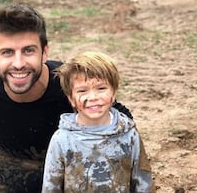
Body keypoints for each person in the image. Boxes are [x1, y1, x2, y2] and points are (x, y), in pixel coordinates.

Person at [0, 4, 134, 192]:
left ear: (45, 52)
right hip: (8, 158)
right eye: (7, 52)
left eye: (28, 51)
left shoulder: (69, 84)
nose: (18, 64)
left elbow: (121, 119)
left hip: (69, 162)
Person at [42, 51, 154, 192]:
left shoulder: (129, 135)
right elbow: (51, 186)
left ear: (113, 93)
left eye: (101, 88)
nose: (93, 97)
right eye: (82, 91)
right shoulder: (62, 140)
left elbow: (143, 181)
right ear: (71, 99)